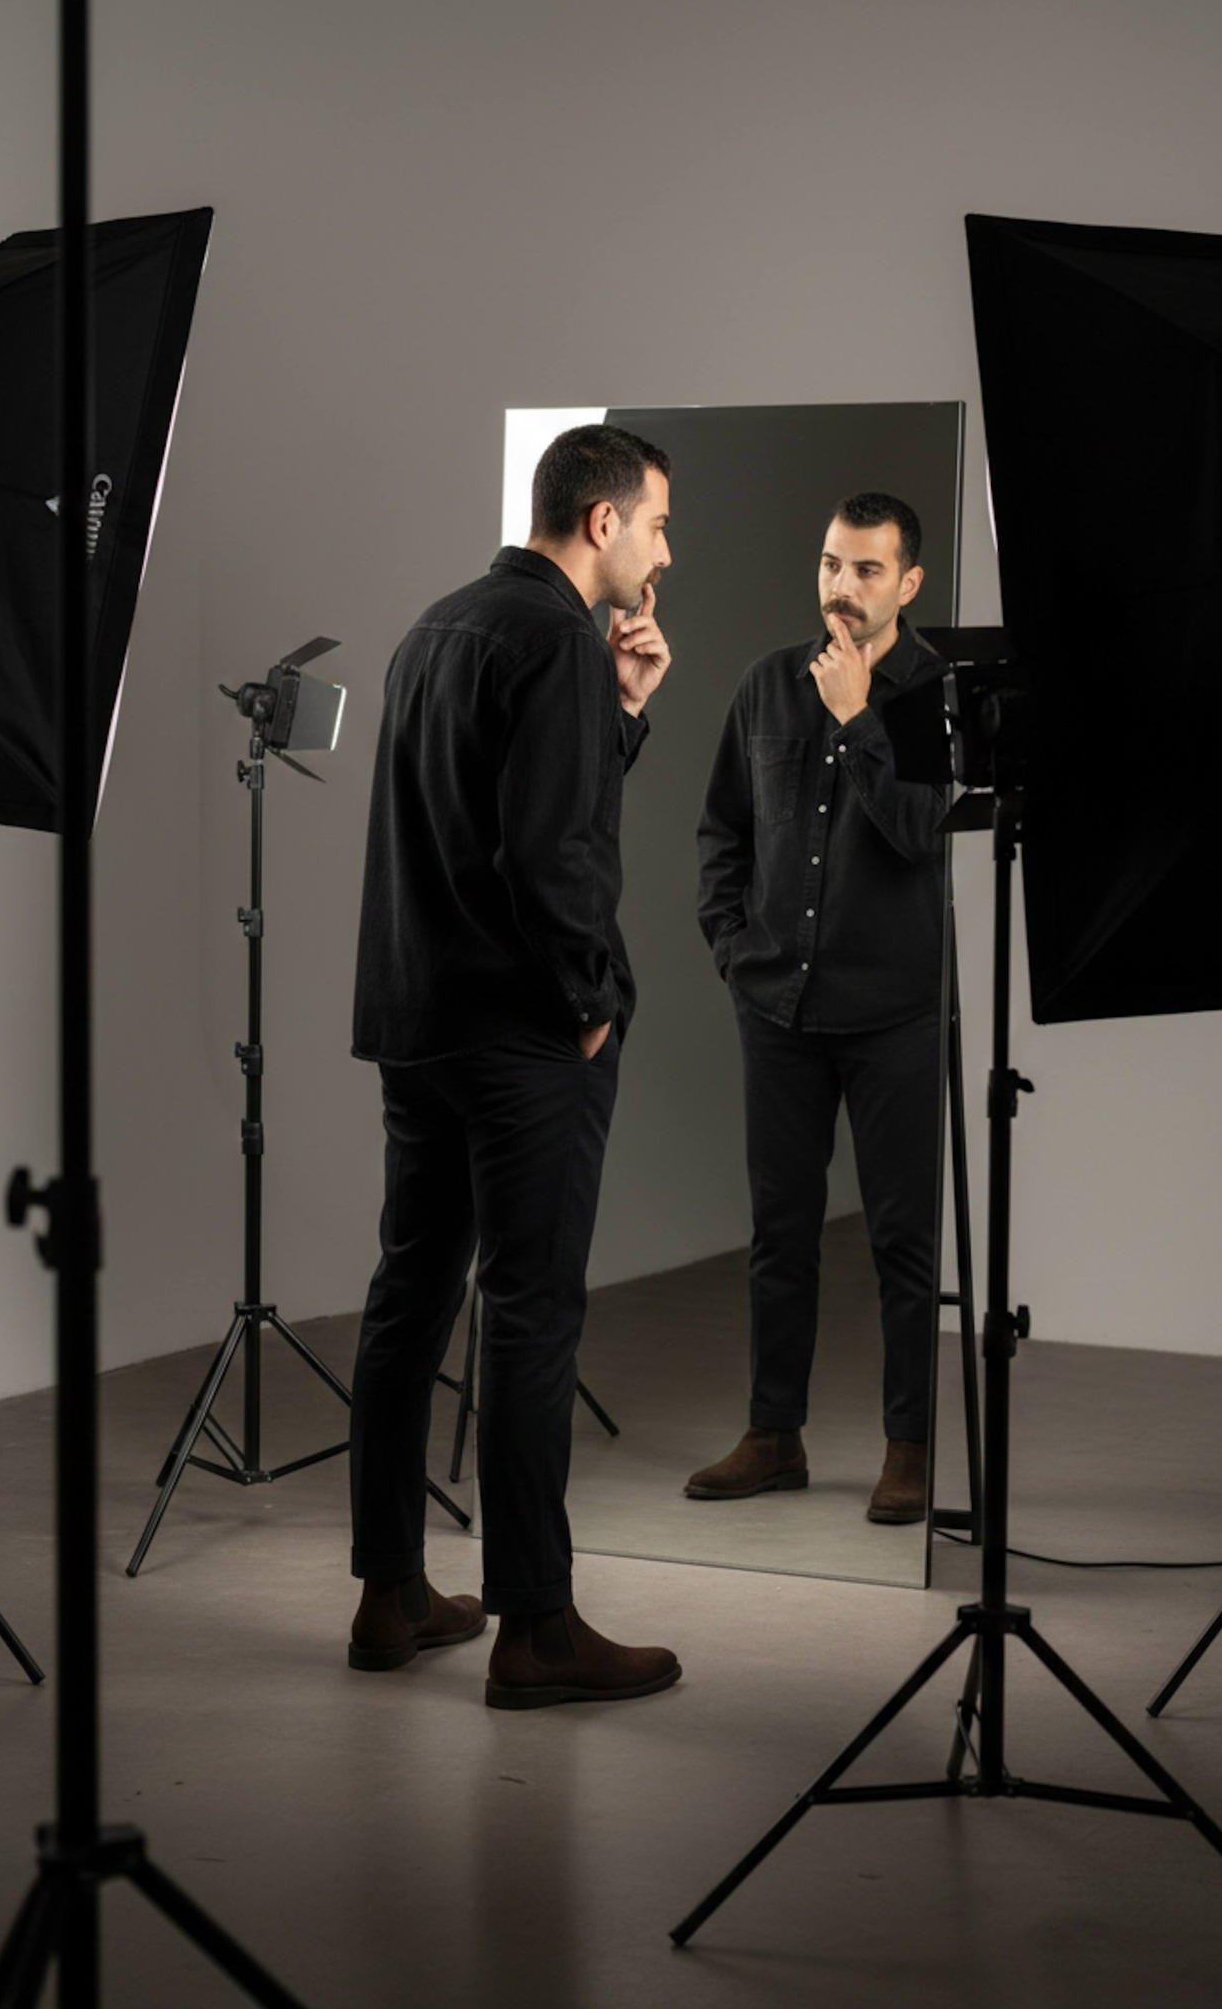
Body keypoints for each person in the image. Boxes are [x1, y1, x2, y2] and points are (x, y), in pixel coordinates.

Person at [348, 424, 681, 1707]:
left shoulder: (437, 625)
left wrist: (625, 711)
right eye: (655, 523)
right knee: (535, 1308)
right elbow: (552, 855)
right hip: (521, 1034)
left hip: (418, 1019)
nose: (664, 552)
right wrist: (592, 998)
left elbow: (497, 809)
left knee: (410, 1292)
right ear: (599, 522)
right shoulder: (550, 639)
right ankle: (535, 1624)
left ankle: (389, 1592)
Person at [689, 491, 945, 1524]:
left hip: (893, 1011)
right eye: (833, 564)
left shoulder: (932, 693)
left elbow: (918, 830)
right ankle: (773, 1433)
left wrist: (857, 717)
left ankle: (908, 1446)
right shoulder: (763, 684)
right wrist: (729, 947)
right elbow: (720, 830)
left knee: (901, 1240)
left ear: (909, 583)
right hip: (779, 1005)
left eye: (868, 570)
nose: (844, 586)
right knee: (778, 1233)